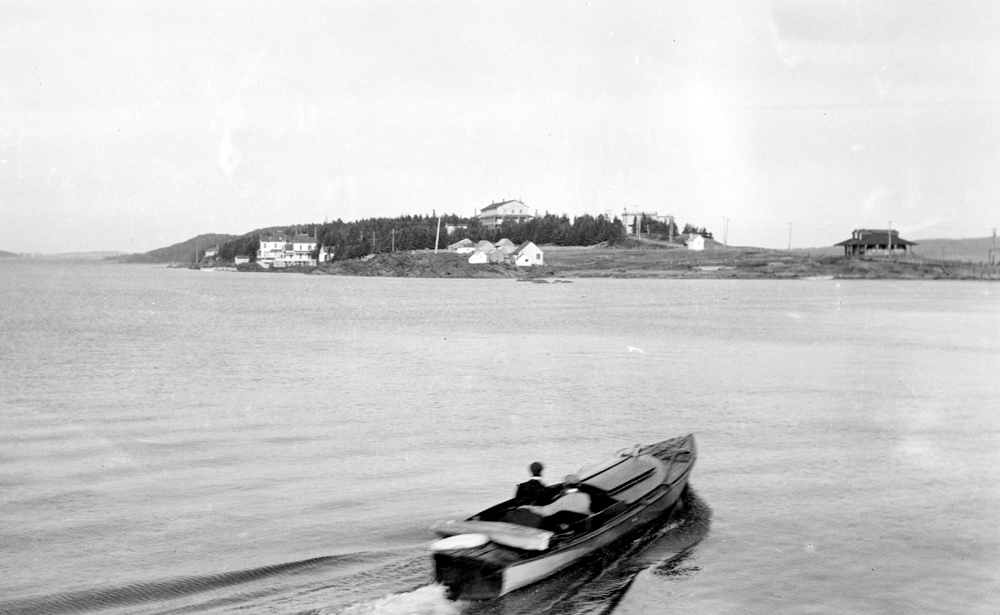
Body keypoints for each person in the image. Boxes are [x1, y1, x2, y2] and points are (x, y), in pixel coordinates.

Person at [524, 474, 592, 531]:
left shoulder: (562, 500)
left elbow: (545, 512)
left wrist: (528, 507)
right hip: (583, 523)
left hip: (569, 526)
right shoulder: (586, 496)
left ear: (565, 485)